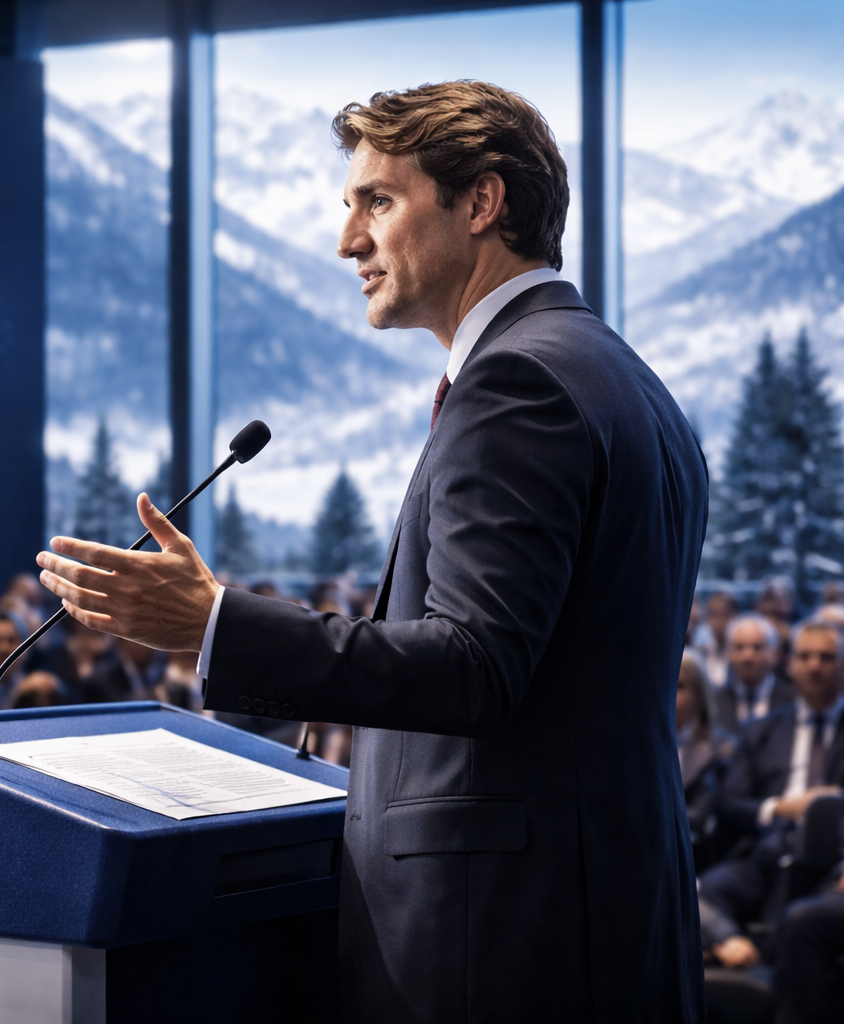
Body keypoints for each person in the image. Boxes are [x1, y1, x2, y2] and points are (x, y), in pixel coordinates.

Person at [35, 81, 708, 1021]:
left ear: (481, 202)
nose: (348, 240)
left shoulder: (519, 382)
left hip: (502, 937)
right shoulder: (616, 373)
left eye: (378, 202)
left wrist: (214, 623)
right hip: (597, 912)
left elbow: (474, 667)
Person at [702, 620, 844, 970]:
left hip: (831, 858)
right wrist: (780, 808)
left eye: (826, 657)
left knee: (799, 916)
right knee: (696, 892)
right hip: (767, 848)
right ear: (790, 664)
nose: (814, 665)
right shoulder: (759, 731)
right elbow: (729, 803)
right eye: (805, 656)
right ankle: (734, 947)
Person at [677, 651, 733, 871]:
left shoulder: (721, 749)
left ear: (699, 693)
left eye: (679, 686)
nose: (669, 692)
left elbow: (701, 814)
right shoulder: (641, 744)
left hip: (692, 853)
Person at [717, 614, 794, 733]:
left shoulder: (793, 700)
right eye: (739, 647)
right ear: (729, 654)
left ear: (775, 654)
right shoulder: (714, 701)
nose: (747, 656)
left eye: (757, 647)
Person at [81, 637, 161, 704]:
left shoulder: (158, 676)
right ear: (122, 639)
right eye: (143, 637)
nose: (150, 645)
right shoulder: (99, 682)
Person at [703, 591, 739, 690]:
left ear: (736, 615)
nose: (718, 621)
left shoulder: (742, 651)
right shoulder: (702, 651)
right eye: (712, 614)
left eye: (723, 614)